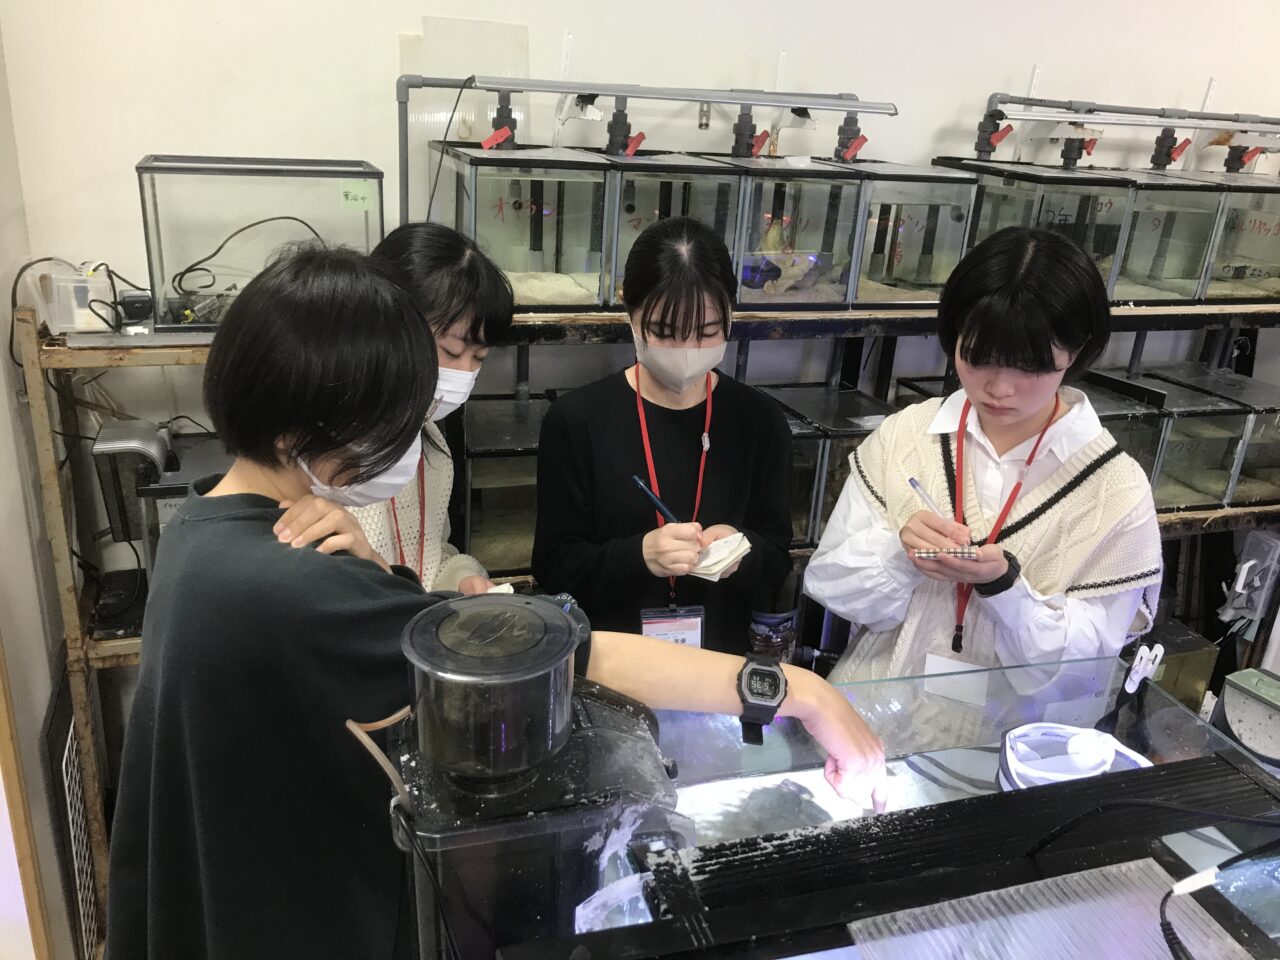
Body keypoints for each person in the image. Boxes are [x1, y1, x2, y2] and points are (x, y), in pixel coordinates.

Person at [105, 245, 884, 960]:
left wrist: (374, 572)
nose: (408, 442)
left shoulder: (204, 528)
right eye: (396, 418)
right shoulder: (290, 584)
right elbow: (576, 654)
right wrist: (796, 689)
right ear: (309, 423)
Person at [804, 227, 1163, 683]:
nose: (998, 388)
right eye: (977, 357)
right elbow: (829, 585)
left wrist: (1007, 590)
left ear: (1077, 350)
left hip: (1016, 725)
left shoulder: (1115, 488)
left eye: (1029, 366)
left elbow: (1087, 666)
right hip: (878, 706)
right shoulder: (907, 435)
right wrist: (899, 554)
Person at [532, 217, 793, 655]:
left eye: (707, 332)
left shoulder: (759, 421)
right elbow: (554, 567)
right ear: (630, 313)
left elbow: (777, 559)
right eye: (665, 332)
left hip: (716, 661)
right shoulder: (577, 421)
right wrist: (638, 556)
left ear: (731, 315)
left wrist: (742, 553)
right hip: (611, 660)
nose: (687, 351)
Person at [273, 222, 510, 594]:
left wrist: (461, 579)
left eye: (479, 357)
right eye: (450, 351)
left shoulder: (430, 443)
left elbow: (428, 556)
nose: (463, 374)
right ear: (387, 323)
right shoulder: (320, 454)